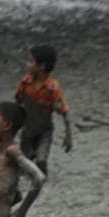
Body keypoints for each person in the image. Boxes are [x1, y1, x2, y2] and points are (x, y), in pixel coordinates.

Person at [14, 43, 73, 171]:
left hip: (44, 132)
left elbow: (64, 112)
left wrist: (68, 136)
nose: (27, 65)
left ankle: (41, 183)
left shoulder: (53, 88)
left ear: (42, 66)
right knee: (25, 163)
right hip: (27, 131)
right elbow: (17, 103)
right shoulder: (25, 83)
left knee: (41, 161)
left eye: (31, 61)